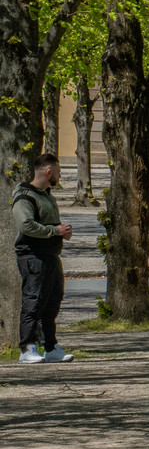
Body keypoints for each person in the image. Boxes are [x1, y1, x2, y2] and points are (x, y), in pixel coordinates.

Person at [13, 153, 73, 364]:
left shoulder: (47, 194)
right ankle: (27, 348)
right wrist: (55, 231)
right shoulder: (25, 196)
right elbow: (26, 225)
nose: (60, 175)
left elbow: (49, 225)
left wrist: (61, 232)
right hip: (33, 255)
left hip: (50, 255)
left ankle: (51, 347)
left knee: (52, 301)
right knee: (33, 301)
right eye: (58, 171)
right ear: (48, 172)